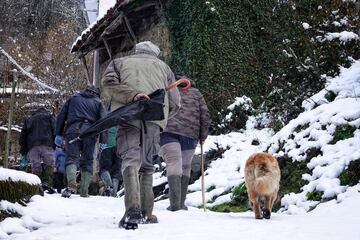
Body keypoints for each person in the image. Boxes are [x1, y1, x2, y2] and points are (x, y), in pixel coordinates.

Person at [101, 41, 180, 229]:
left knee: (130, 160)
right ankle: (147, 213)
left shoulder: (119, 63)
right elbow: (176, 102)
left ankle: (132, 210)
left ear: (137, 51)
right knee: (147, 164)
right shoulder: (164, 68)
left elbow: (108, 83)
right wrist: (162, 117)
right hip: (154, 119)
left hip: (128, 115)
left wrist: (133, 95)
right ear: (155, 54)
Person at [159, 75, 210, 211]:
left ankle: (175, 204)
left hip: (168, 132)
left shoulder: (167, 90)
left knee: (173, 162)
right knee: (185, 166)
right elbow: (205, 115)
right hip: (190, 133)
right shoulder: (196, 93)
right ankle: (180, 204)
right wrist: (202, 135)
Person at [55, 85, 107, 198]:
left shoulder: (73, 98)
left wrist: (58, 133)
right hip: (90, 133)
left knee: (71, 158)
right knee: (87, 161)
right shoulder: (98, 103)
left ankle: (71, 186)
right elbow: (104, 122)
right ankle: (84, 191)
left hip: (73, 130)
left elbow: (61, 116)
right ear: (96, 94)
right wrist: (104, 140)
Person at [19, 107, 56, 193]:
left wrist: (24, 147)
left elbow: (23, 135)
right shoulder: (49, 117)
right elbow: (55, 130)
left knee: (36, 165)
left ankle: (36, 186)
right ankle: (48, 184)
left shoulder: (29, 119)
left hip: (33, 145)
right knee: (49, 164)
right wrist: (55, 144)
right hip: (47, 143)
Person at [98, 127, 122, 197]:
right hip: (119, 147)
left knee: (104, 168)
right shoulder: (121, 118)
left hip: (106, 146)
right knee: (116, 171)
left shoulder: (106, 118)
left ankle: (109, 186)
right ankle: (113, 193)